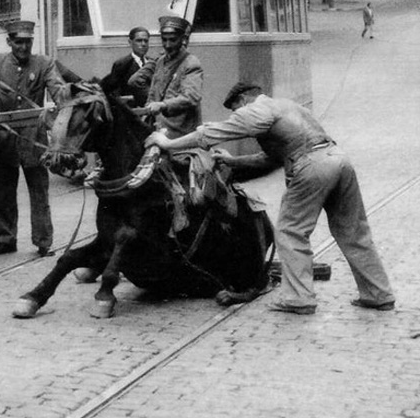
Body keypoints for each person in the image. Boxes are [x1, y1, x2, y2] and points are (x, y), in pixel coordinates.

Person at [145, 82, 395, 315]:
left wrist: (167, 143)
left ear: (243, 99)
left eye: (235, 109)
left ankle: (299, 299)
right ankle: (378, 293)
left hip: (311, 166)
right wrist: (234, 161)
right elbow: (273, 158)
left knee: (290, 231)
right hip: (338, 159)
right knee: (353, 231)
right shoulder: (286, 106)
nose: (236, 115)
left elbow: (209, 134)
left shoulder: (255, 109)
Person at [0, 20, 68, 257]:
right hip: (4, 140)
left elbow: (59, 92)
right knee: (2, 193)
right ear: (9, 42)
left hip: (34, 140)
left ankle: (43, 241)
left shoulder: (44, 63)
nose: (24, 47)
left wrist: (61, 116)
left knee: (39, 192)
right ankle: (5, 239)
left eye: (28, 42)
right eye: (19, 42)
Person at [129, 15, 203, 138]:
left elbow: (191, 97)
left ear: (183, 39)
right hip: (159, 129)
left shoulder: (191, 63)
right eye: (164, 40)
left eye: (172, 40)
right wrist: (147, 110)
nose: (167, 45)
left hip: (181, 134)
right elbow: (153, 93)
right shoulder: (160, 61)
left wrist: (162, 105)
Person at [100, 26, 152, 107]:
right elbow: (114, 90)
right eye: (139, 41)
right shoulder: (122, 64)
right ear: (130, 42)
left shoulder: (152, 62)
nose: (143, 44)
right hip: (131, 110)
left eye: (146, 41)